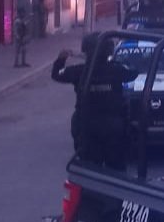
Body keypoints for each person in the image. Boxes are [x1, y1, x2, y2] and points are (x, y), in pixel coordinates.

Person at [52, 33, 139, 171]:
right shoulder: (116, 69)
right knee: (116, 170)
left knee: (90, 169)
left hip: (88, 126)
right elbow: (133, 72)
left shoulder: (80, 71)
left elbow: (56, 74)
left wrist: (61, 59)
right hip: (112, 127)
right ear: (109, 51)